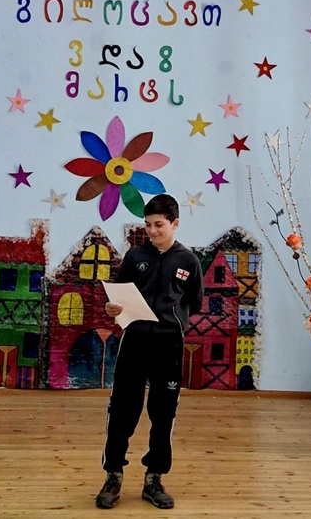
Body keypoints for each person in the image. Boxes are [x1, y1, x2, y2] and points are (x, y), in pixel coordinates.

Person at [95, 194, 204, 510]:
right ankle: (113, 474)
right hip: (135, 341)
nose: (152, 231)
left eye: (158, 225)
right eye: (147, 225)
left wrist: (174, 318)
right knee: (122, 410)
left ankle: (154, 478)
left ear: (175, 224)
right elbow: (117, 297)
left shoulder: (189, 262)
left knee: (163, 412)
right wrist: (111, 308)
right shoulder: (135, 256)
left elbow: (195, 302)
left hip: (169, 345)